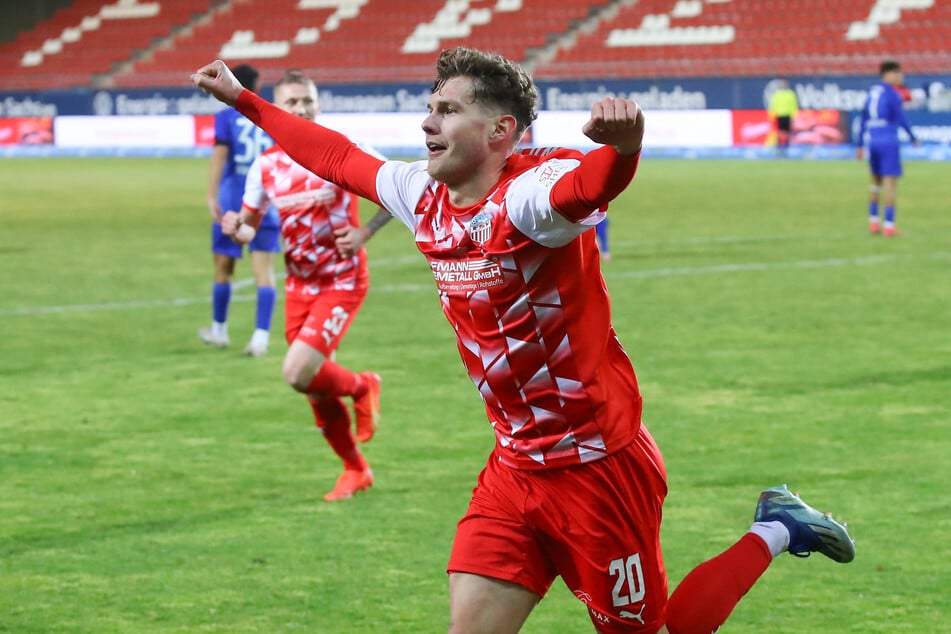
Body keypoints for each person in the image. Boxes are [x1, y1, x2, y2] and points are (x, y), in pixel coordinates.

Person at [193, 48, 855, 633]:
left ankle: (775, 527)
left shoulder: (527, 198)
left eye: (447, 110)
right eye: (430, 107)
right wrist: (241, 98)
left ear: (500, 130)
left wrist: (623, 149)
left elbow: (587, 186)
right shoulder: (421, 194)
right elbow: (335, 156)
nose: (428, 122)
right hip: (514, 466)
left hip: (597, 467)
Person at [220, 69, 387, 502]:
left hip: (342, 280)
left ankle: (362, 385)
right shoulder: (267, 166)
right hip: (300, 286)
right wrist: (236, 225)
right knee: (312, 384)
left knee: (297, 371)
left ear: (319, 104)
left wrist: (365, 232)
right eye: (291, 103)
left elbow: (398, 189)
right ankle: (356, 469)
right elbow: (249, 230)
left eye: (306, 101)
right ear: (278, 110)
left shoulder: (343, 151)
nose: (300, 109)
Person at [199, 63, 280, 356]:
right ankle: (260, 338)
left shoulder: (225, 118)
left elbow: (220, 155)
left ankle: (219, 330)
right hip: (266, 202)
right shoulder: (268, 114)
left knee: (224, 269)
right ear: (256, 88)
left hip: (233, 201)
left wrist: (211, 195)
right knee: (265, 273)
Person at [856, 60, 920, 237]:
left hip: (872, 140)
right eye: (898, 73)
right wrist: (913, 137)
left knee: (875, 182)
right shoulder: (892, 94)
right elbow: (900, 118)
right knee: (890, 183)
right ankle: (890, 226)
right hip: (888, 140)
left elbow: (863, 120)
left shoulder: (871, 93)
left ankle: (874, 223)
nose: (901, 77)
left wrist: (860, 144)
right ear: (888, 74)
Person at [768, 78, 798, 150]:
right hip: (779, 115)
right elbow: (773, 105)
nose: (783, 85)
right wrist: (772, 115)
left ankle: (787, 145)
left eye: (784, 83)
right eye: (782, 83)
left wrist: (793, 116)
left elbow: (794, 105)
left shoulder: (791, 94)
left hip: (787, 114)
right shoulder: (777, 94)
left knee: (787, 131)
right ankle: (778, 144)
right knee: (779, 131)